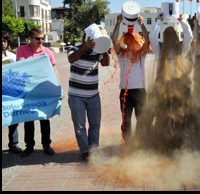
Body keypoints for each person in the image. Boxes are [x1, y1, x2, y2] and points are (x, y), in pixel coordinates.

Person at [138, 12, 193, 153]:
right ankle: (163, 144)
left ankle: (176, 143)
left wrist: (162, 21)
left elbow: (189, 37)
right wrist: (160, 21)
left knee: (177, 116)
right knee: (163, 116)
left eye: (171, 36)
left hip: (177, 89)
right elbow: (189, 36)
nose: (169, 39)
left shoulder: (178, 51)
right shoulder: (161, 51)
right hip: (163, 89)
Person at [16, 28, 60, 157]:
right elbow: (20, 67)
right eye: (38, 38)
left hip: (43, 90)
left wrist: (58, 86)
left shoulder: (47, 52)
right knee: (28, 120)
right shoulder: (21, 50)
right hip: (28, 91)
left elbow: (53, 69)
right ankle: (29, 146)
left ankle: (46, 145)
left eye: (42, 38)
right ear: (30, 38)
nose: (41, 41)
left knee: (44, 119)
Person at [67, 32, 110, 161]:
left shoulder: (97, 52)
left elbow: (106, 63)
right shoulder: (74, 49)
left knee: (95, 124)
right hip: (76, 96)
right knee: (80, 125)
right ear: (85, 39)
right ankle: (85, 151)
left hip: (93, 95)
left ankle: (94, 149)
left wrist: (105, 49)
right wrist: (85, 47)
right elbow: (71, 59)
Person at [112, 14, 149, 145]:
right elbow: (114, 40)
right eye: (127, 41)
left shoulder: (141, 56)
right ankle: (127, 144)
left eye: (133, 40)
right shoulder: (121, 56)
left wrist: (142, 24)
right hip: (125, 92)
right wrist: (118, 23)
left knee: (141, 119)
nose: (130, 43)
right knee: (126, 120)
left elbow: (147, 41)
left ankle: (140, 144)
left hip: (140, 91)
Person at [2, 32, 22, 154]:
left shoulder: (13, 57)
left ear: (7, 43)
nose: (2, 43)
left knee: (12, 119)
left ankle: (13, 144)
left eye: (4, 41)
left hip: (9, 92)